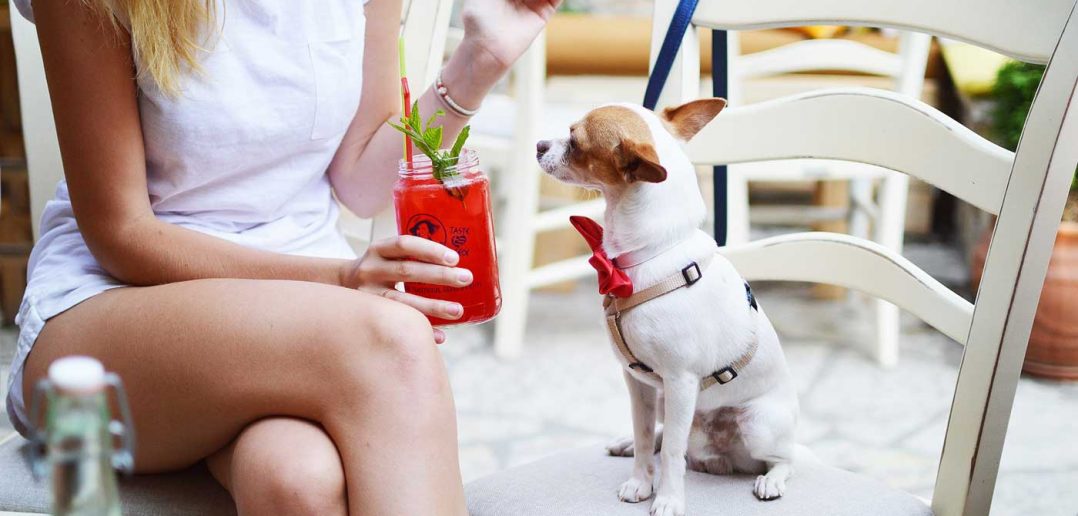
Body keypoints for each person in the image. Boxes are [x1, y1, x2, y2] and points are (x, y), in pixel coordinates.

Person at [5, 0, 556, 514]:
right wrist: (339, 279)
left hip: (299, 331)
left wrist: (478, 64)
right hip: (110, 325)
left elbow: (361, 182)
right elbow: (123, 234)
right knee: (393, 341)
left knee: (296, 480)